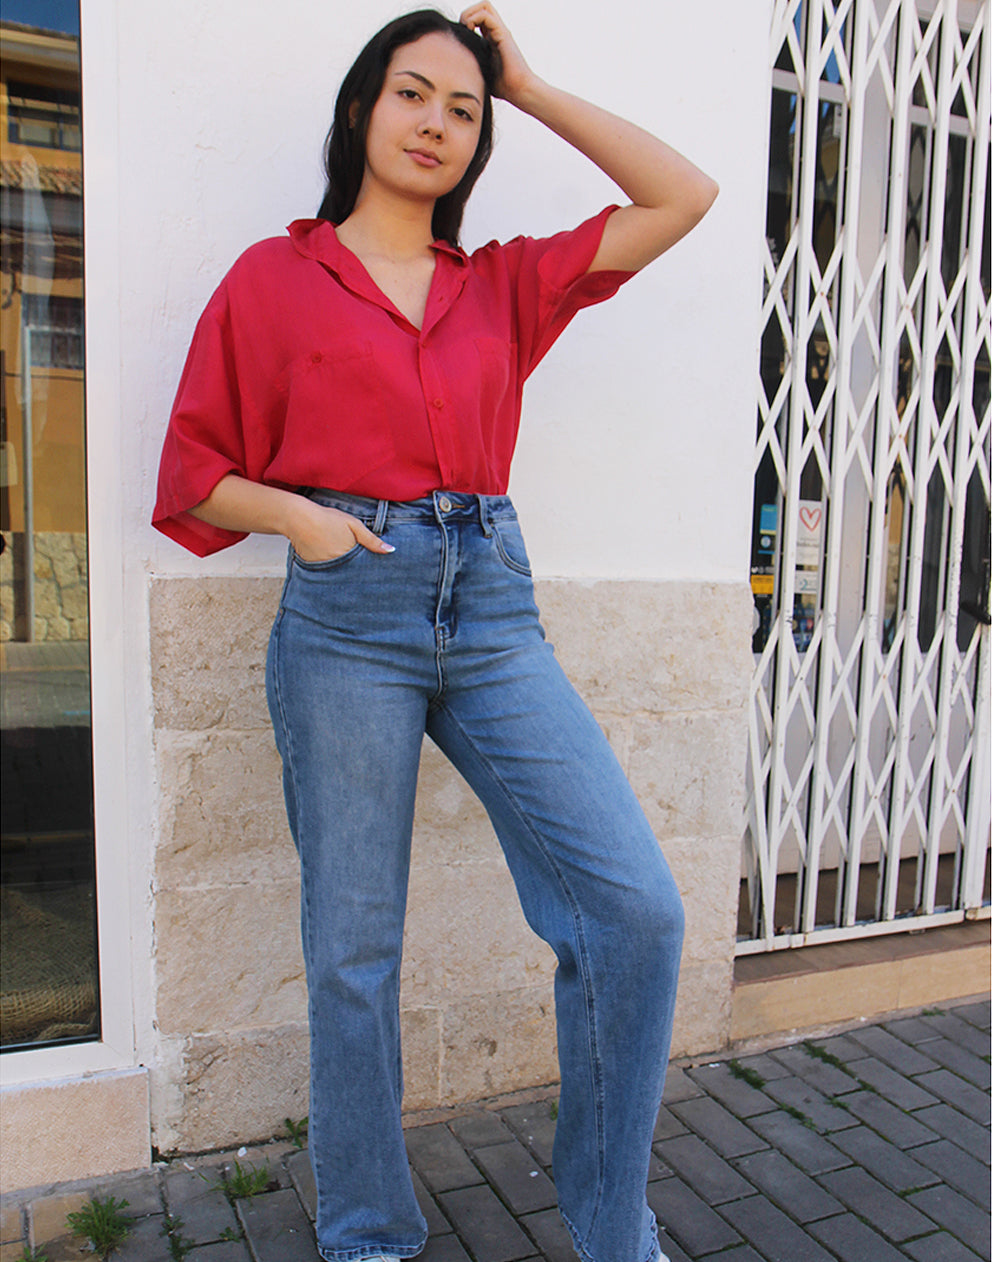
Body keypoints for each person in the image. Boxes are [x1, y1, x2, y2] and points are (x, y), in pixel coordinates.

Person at [153, 6, 717, 1260]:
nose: (435, 124)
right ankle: (366, 1233)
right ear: (362, 109)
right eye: (414, 95)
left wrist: (530, 84)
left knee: (633, 910)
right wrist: (304, 522)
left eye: (462, 110)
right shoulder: (273, 277)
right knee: (353, 950)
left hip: (494, 605)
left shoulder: (502, 284)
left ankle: (612, 1228)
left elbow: (684, 193)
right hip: (346, 617)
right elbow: (192, 474)